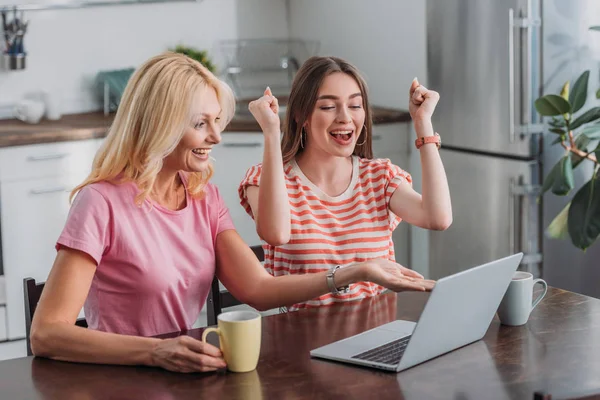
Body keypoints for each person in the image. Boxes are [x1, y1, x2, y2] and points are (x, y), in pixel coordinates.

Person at [30, 52, 435, 374]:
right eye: (201, 123)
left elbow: (258, 291)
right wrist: (156, 352)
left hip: (188, 374)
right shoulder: (100, 202)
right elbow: (47, 334)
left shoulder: (203, 197)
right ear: (160, 125)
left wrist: (354, 270)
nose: (216, 136)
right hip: (124, 378)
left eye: (216, 120)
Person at [239, 56, 452, 311]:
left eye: (355, 105)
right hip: (302, 338)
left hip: (375, 335)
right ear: (300, 116)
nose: (345, 118)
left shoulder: (379, 177)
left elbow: (437, 218)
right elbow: (276, 234)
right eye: (328, 107)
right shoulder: (267, 179)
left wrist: (423, 123)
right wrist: (272, 133)